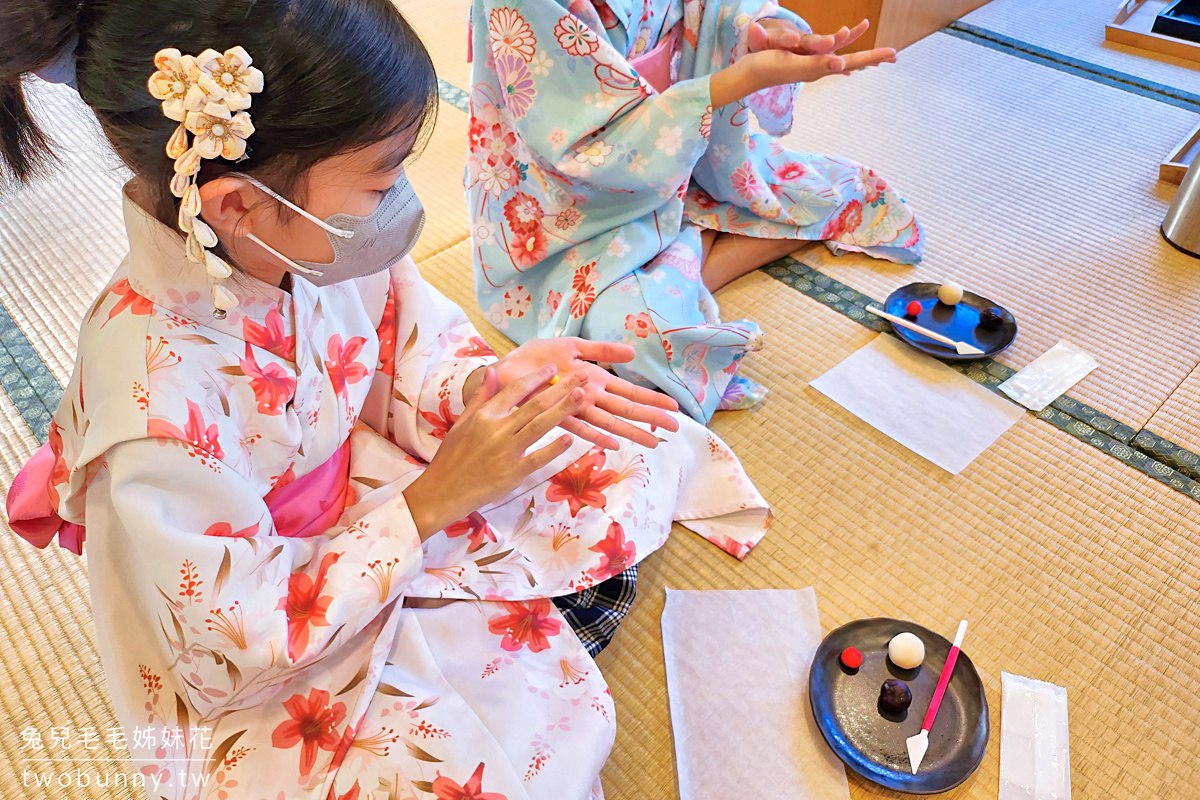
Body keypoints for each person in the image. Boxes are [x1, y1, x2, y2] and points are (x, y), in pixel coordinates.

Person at [0, 1, 771, 797]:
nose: (400, 200)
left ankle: (511, 606)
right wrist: (432, 503)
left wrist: (484, 387)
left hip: (368, 500)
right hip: (272, 615)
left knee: (605, 451)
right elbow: (233, 644)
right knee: (483, 764)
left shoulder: (291, 235)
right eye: (382, 180)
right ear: (235, 204)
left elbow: (401, 347)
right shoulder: (152, 400)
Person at [467, 0, 925, 422]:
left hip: (689, 155)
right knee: (629, 349)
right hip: (571, 206)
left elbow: (716, 9)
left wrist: (762, 29)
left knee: (835, 194)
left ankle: (682, 253)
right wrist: (740, 80)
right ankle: (690, 246)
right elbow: (577, 136)